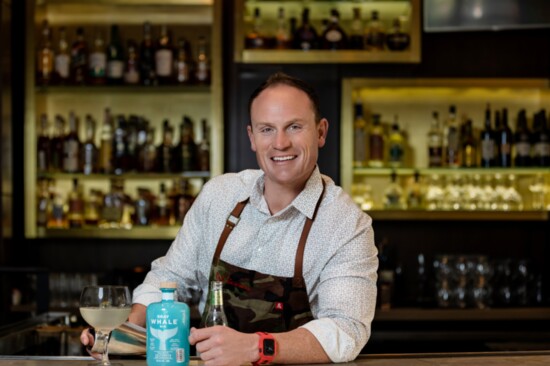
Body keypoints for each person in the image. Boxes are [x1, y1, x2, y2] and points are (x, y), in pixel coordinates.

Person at [81, 72, 378, 365]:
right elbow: (168, 280)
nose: (280, 143)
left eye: (294, 127)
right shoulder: (219, 196)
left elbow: (346, 329)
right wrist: (125, 331)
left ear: (321, 132)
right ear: (251, 137)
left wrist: (255, 348)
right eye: (266, 129)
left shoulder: (346, 223)